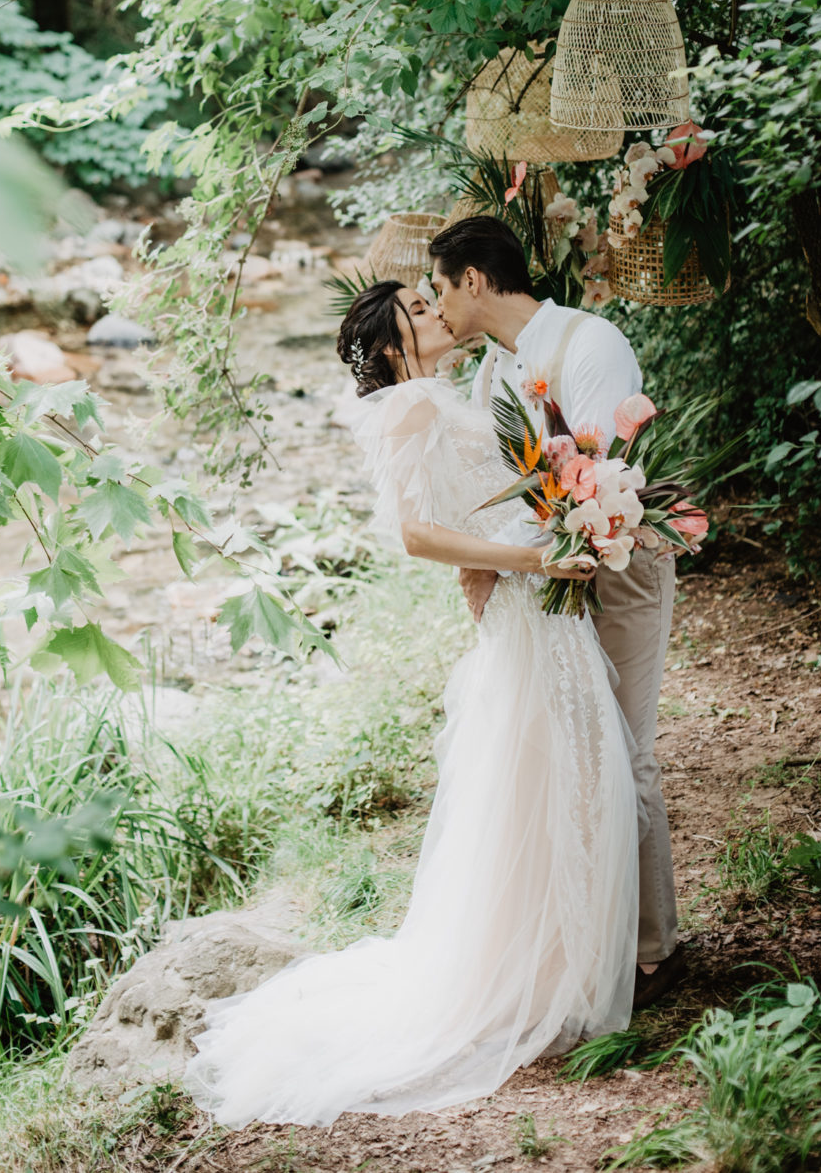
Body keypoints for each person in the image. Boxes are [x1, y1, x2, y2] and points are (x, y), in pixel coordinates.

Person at [183, 280, 640, 1128]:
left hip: (538, 598)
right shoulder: (410, 407)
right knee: (551, 774)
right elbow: (416, 534)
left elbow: (490, 494)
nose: (438, 315)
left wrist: (560, 526)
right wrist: (531, 561)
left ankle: (556, 967)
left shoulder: (455, 389)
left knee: (563, 773)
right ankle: (544, 979)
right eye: (419, 315)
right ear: (396, 348)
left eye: (434, 305)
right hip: (527, 602)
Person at [428, 216, 685, 1009]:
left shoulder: (589, 343)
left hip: (619, 571)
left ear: (474, 279)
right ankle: (588, 936)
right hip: (547, 585)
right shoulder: (494, 369)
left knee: (625, 750)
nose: (436, 306)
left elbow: (607, 482)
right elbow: (500, 482)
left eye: (440, 287)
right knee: (573, 754)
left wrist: (500, 558)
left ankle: (654, 951)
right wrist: (486, 564)